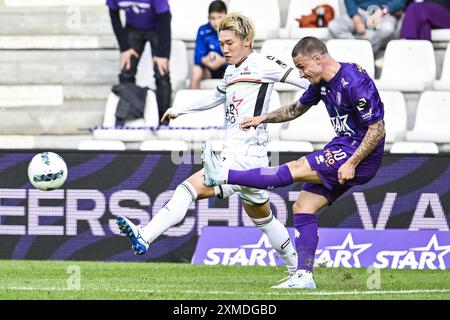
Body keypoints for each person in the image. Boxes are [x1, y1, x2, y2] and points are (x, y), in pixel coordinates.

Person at [116, 13, 310, 284]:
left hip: (244, 154)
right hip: (247, 156)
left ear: (247, 41)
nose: (224, 49)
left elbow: (306, 80)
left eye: (230, 43)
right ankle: (300, 273)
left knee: (187, 189)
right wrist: (178, 110)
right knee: (263, 218)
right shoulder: (231, 71)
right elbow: (214, 97)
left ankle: (145, 236)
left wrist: (329, 88)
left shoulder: (263, 64)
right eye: (221, 43)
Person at [202, 36, 386, 289]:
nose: (300, 74)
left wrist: (352, 162)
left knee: (297, 168)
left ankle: (223, 175)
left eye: (301, 67)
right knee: (303, 207)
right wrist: (262, 118)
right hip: (343, 146)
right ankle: (304, 276)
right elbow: (296, 109)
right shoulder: (321, 83)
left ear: (317, 59)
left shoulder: (354, 81)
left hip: (360, 152)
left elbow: (377, 129)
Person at [107, 0, 172, 125]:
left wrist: (162, 54)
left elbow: (165, 18)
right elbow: (113, 14)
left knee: (162, 74)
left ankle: (164, 123)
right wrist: (124, 48)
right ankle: (126, 118)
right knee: (126, 72)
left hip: (158, 27)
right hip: (133, 28)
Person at [328, 0, 406, 53]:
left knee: (387, 29)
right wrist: (356, 19)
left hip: (386, 13)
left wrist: (382, 11)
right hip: (360, 11)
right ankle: (357, 52)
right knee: (334, 26)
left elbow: (401, 1)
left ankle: (366, 53)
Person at [190, 0, 228, 89]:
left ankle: (232, 102)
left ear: (226, 16)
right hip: (207, 70)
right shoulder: (203, 30)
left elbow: (238, 57)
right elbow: (197, 58)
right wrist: (206, 60)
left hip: (226, 69)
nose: (216, 22)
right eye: (213, 18)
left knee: (234, 71)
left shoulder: (232, 30)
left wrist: (222, 60)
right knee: (196, 70)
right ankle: (194, 102)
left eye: (220, 17)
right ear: (208, 17)